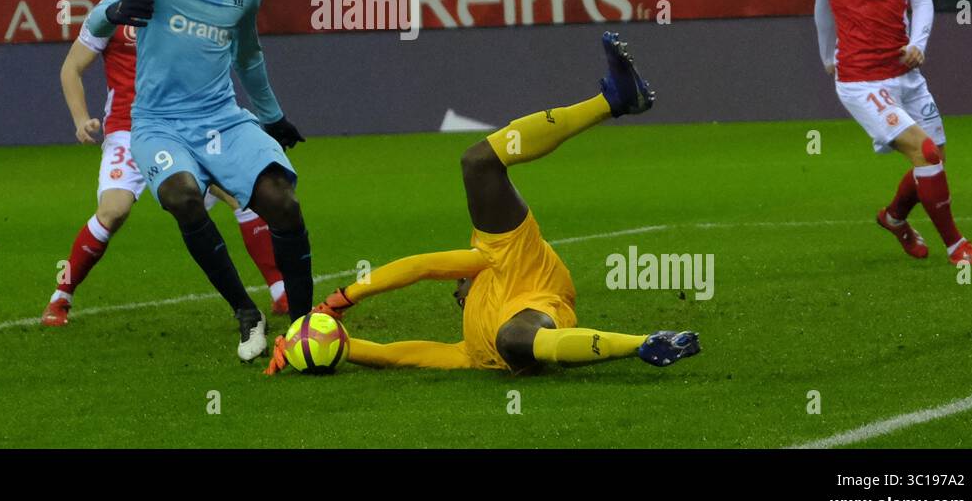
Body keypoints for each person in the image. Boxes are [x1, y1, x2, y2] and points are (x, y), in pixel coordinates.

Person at [267, 33, 700, 374]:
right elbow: (399, 354)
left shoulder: (490, 261)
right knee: (510, 340)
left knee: (479, 163)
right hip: (535, 319)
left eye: (458, 282)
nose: (456, 285)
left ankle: (612, 101)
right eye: (458, 287)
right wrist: (327, 344)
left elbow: (421, 267)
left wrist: (345, 298)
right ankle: (644, 342)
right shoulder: (471, 351)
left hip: (528, 285)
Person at [87, 0, 312, 360]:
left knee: (282, 203)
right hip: (159, 124)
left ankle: (303, 330)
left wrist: (272, 117)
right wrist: (113, 14)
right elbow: (96, 17)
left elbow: (249, 58)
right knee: (182, 197)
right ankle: (245, 311)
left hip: (222, 119)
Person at [43, 0, 287, 327]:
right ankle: (60, 296)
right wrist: (80, 119)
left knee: (242, 195)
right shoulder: (113, 11)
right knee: (113, 211)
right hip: (130, 127)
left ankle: (279, 291)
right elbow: (71, 67)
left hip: (191, 126)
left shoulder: (189, 6)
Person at [807, 0, 972, 266]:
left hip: (904, 71)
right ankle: (957, 247)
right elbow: (823, 5)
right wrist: (827, 54)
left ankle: (893, 218)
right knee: (925, 152)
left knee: (934, 159)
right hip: (860, 79)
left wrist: (919, 43)